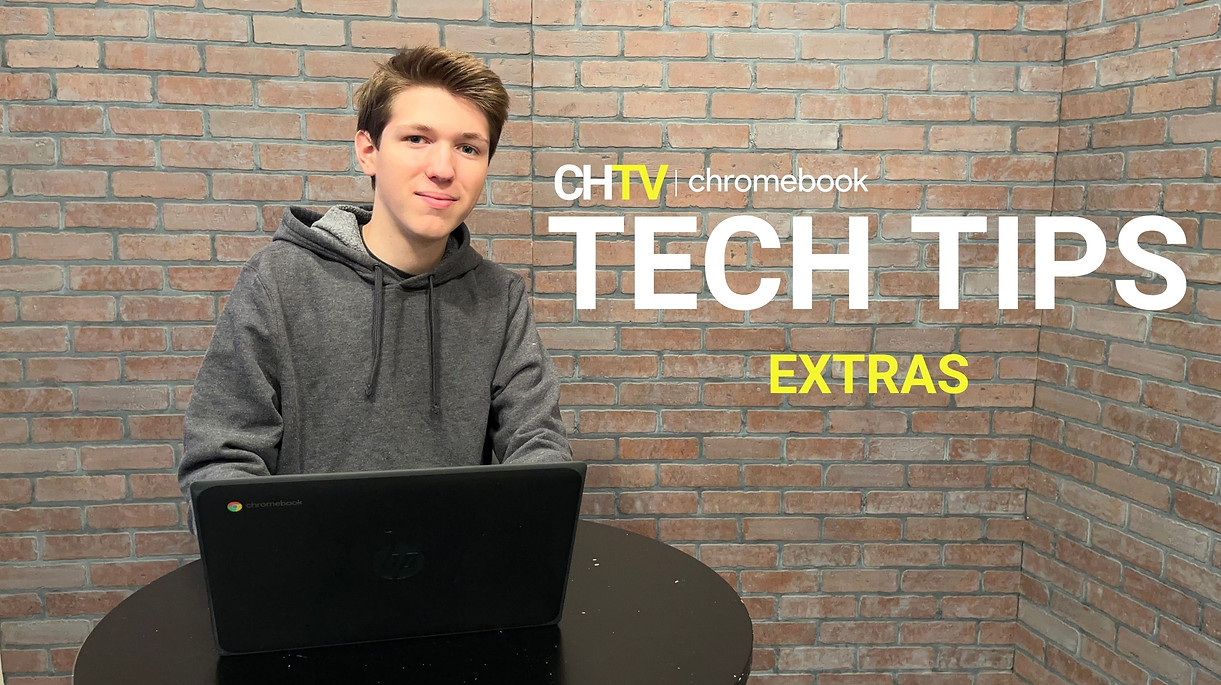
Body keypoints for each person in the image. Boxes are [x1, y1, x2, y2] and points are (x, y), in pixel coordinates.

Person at [177, 45, 572, 515]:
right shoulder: (278, 281)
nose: (444, 170)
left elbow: (538, 443)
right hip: (309, 571)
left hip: (453, 568)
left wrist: (535, 518)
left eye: (468, 148)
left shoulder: (499, 298)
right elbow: (220, 460)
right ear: (369, 150)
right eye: (417, 139)